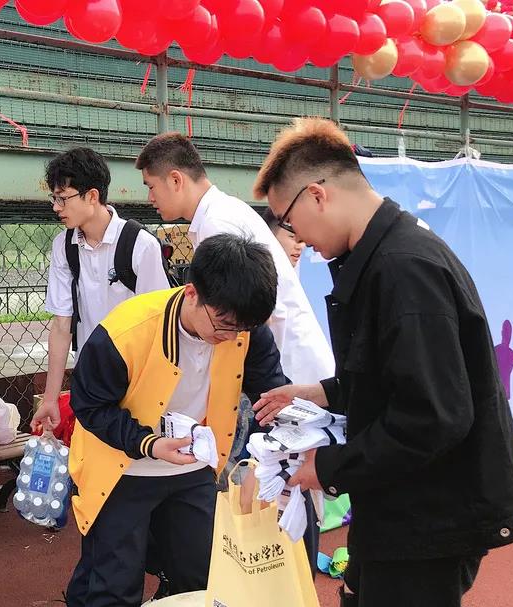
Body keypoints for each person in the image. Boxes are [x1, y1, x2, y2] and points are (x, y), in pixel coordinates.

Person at [251, 117, 513, 607]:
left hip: (428, 518)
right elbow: (397, 376)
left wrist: (331, 466)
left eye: (289, 221)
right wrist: (322, 393)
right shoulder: (385, 256)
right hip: (400, 507)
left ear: (317, 196)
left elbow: (434, 415)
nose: (297, 238)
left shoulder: (404, 268)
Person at [136, 131, 332, 574]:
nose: (149, 197)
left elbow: (246, 317)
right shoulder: (221, 214)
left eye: (151, 186)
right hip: (278, 363)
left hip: (278, 368)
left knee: (276, 477)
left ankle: (279, 579)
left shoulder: (219, 223)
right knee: (281, 476)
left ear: (175, 179)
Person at [64, 233, 290, 607]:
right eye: (223, 324)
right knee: (114, 585)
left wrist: (281, 448)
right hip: (122, 469)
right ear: (192, 293)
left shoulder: (244, 330)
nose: (230, 337)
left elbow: (271, 395)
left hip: (193, 467)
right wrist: (150, 444)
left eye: (242, 329)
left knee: (203, 576)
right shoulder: (127, 331)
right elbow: (90, 406)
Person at [31, 147, 172, 433]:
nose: (56, 207)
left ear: (92, 196)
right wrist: (50, 398)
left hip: (137, 380)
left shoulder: (140, 245)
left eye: (63, 198)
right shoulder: (64, 246)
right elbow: (61, 326)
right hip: (92, 380)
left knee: (137, 452)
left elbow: (161, 325)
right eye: (54, 198)